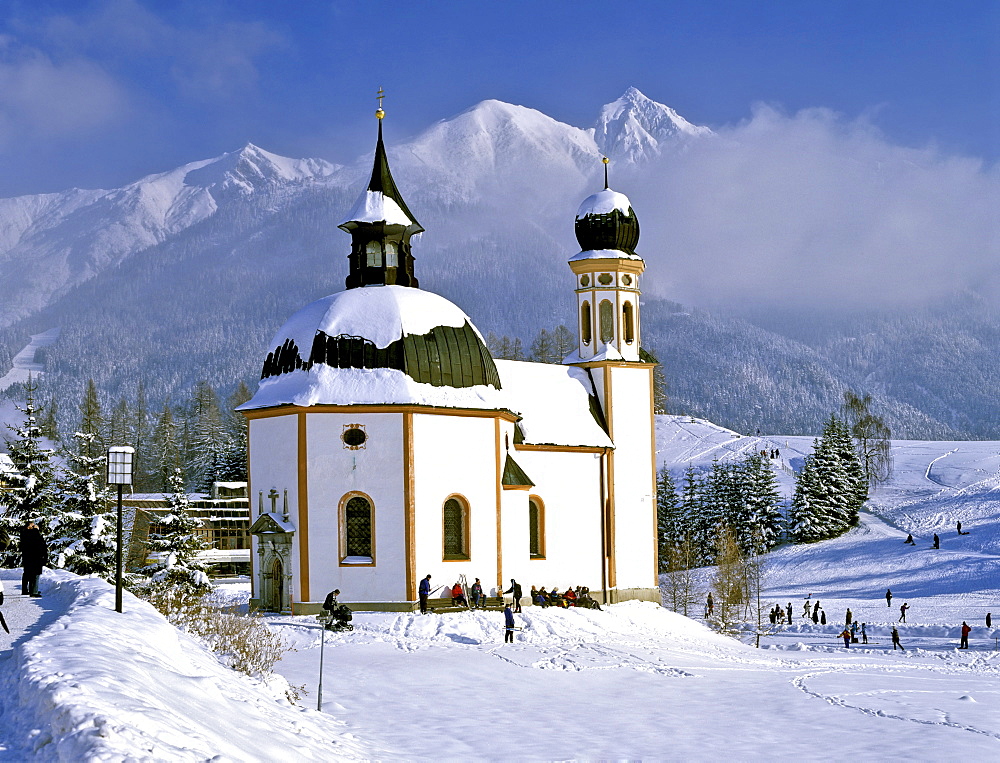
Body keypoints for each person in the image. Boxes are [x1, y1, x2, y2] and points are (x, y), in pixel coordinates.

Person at [20, 521, 48, 598]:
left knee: (27, 573)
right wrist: (36, 530)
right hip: (35, 556)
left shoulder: (24, 533)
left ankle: (25, 590)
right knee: (35, 574)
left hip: (28, 556)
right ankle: (34, 591)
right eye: (33, 526)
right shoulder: (31, 534)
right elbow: (37, 541)